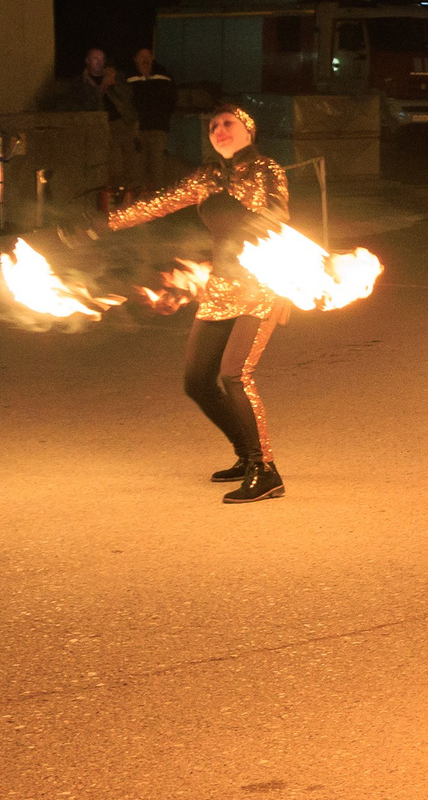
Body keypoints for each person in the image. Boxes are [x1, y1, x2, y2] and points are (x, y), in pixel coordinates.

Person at [76, 102, 291, 503]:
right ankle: (246, 454)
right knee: (197, 381)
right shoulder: (206, 177)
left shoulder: (266, 170)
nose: (219, 129)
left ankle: (265, 471)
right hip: (221, 287)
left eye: (228, 123)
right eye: (212, 126)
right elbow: (156, 204)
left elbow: (278, 215)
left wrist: (256, 234)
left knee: (235, 374)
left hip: (261, 284)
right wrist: (100, 224)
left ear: (249, 131)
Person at [123, 47, 178, 191]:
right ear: (135, 59)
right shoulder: (128, 78)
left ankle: (158, 200)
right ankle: (136, 199)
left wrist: (163, 115)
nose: (145, 59)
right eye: (141, 56)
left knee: (158, 168)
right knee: (136, 167)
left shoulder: (164, 76)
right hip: (136, 131)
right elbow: (124, 102)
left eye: (148, 55)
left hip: (158, 128)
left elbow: (172, 98)